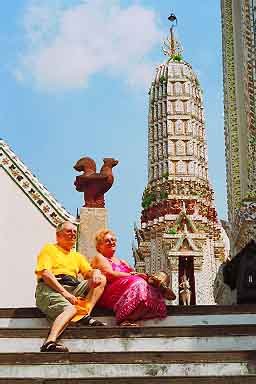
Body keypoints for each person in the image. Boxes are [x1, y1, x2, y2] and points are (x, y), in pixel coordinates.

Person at [35, 221, 106, 352]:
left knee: (101, 279)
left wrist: (96, 272)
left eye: (74, 232)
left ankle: (84, 314)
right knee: (70, 310)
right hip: (50, 288)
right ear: (58, 235)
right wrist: (65, 293)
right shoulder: (49, 249)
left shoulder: (77, 256)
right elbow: (45, 273)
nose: (72, 234)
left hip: (73, 287)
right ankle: (50, 342)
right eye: (68, 231)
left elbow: (88, 272)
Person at [92, 229, 174, 326]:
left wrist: (147, 278)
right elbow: (110, 275)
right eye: (107, 241)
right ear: (99, 246)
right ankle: (124, 317)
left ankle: (130, 318)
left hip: (125, 288)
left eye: (113, 240)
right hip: (108, 293)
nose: (111, 242)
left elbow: (133, 274)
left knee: (151, 288)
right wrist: (135, 276)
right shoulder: (100, 258)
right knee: (139, 283)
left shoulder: (122, 262)